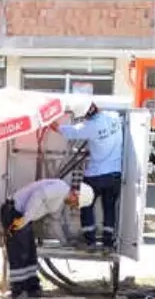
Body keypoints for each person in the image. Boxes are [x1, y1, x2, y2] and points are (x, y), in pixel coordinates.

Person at [1, 179, 95, 299]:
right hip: (13, 212)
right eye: (76, 203)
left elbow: (55, 222)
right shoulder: (60, 188)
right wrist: (26, 218)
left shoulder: (60, 201)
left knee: (30, 253)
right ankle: (18, 291)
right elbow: (38, 195)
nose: (73, 207)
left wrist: (65, 242)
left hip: (23, 217)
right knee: (19, 254)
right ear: (75, 195)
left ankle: (32, 288)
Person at [52, 99, 123, 248]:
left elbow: (65, 131)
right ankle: (108, 241)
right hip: (115, 174)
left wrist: (47, 122)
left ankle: (90, 240)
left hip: (95, 175)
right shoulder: (114, 117)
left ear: (85, 115)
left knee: (85, 203)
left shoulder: (89, 126)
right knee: (109, 207)